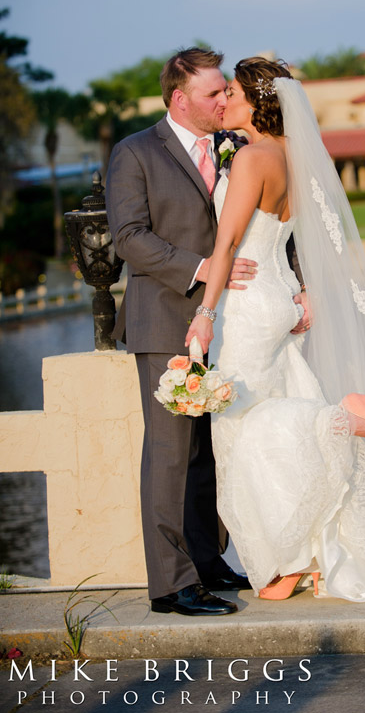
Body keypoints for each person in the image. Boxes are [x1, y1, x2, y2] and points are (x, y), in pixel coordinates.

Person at [186, 57, 365, 602]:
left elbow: (226, 245)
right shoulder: (293, 156)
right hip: (282, 300)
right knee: (269, 421)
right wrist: (303, 291)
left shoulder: (252, 160)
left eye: (235, 91)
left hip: (248, 305)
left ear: (259, 101)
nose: (227, 100)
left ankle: (344, 416)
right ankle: (301, 561)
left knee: (244, 430)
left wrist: (205, 314)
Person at [106, 48, 306, 616]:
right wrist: (200, 270)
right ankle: (172, 585)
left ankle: (211, 561)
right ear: (179, 98)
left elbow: (274, 227)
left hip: (232, 321)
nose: (224, 100)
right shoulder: (135, 152)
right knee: (169, 456)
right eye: (214, 93)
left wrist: (300, 282)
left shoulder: (241, 148)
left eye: (227, 91)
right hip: (167, 318)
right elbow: (128, 237)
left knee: (211, 453)